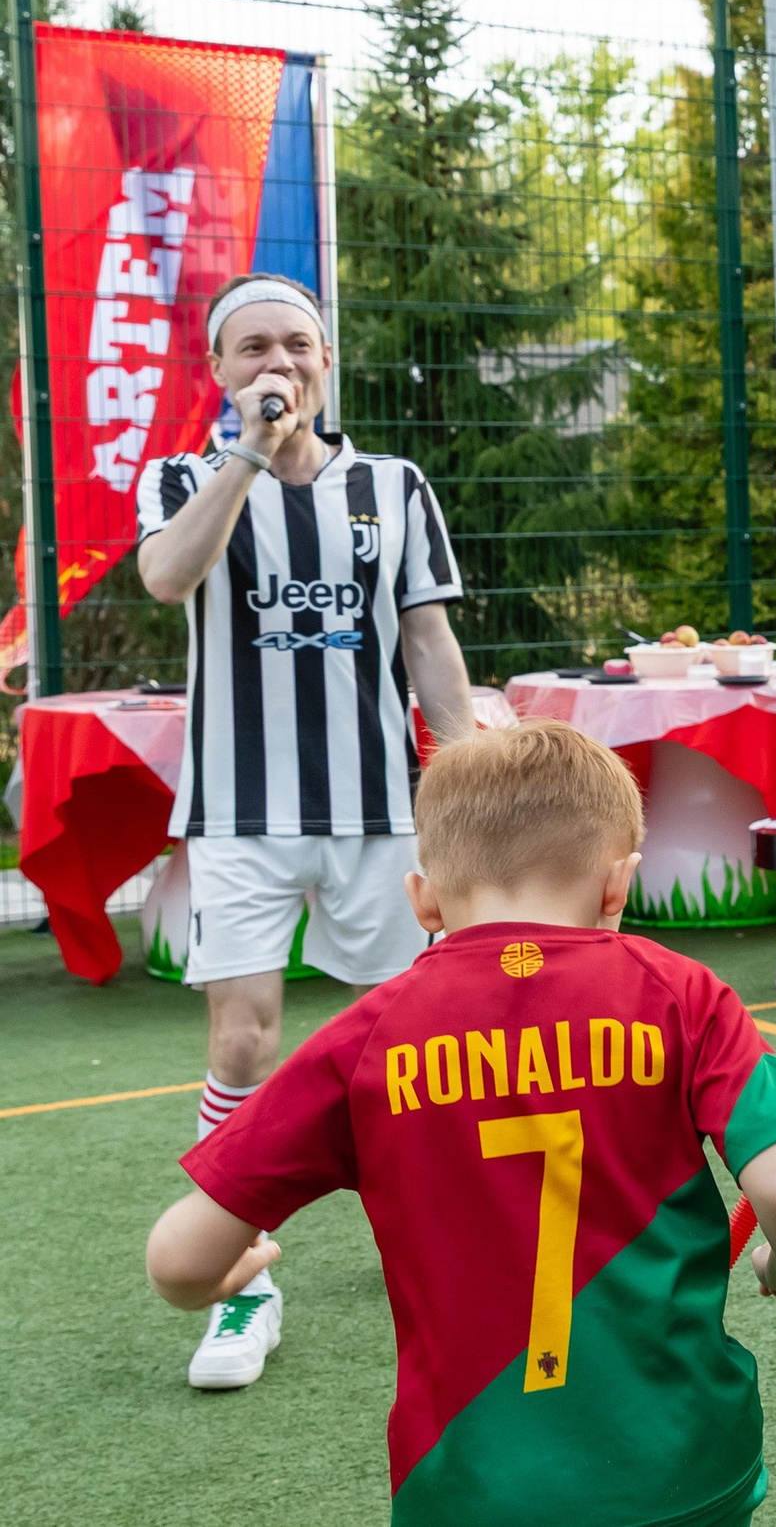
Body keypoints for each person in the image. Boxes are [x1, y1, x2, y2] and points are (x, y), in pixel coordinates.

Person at [146, 721, 776, 1527]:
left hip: (471, 1480)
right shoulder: (680, 994)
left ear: (423, 898)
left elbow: (177, 1260)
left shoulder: (366, 1036)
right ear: (618, 887)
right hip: (679, 1460)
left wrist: (230, 1271)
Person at [134, 272, 476, 1390]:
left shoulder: (392, 482)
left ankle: (424, 1226)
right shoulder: (186, 475)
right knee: (243, 1039)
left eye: (297, 346)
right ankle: (244, 1274)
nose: (278, 365)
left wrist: (464, 767)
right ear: (219, 371)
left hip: (379, 811)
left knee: (403, 1036)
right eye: (253, 350)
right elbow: (165, 576)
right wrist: (246, 452)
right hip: (239, 809)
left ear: (329, 361)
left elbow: (424, 640)